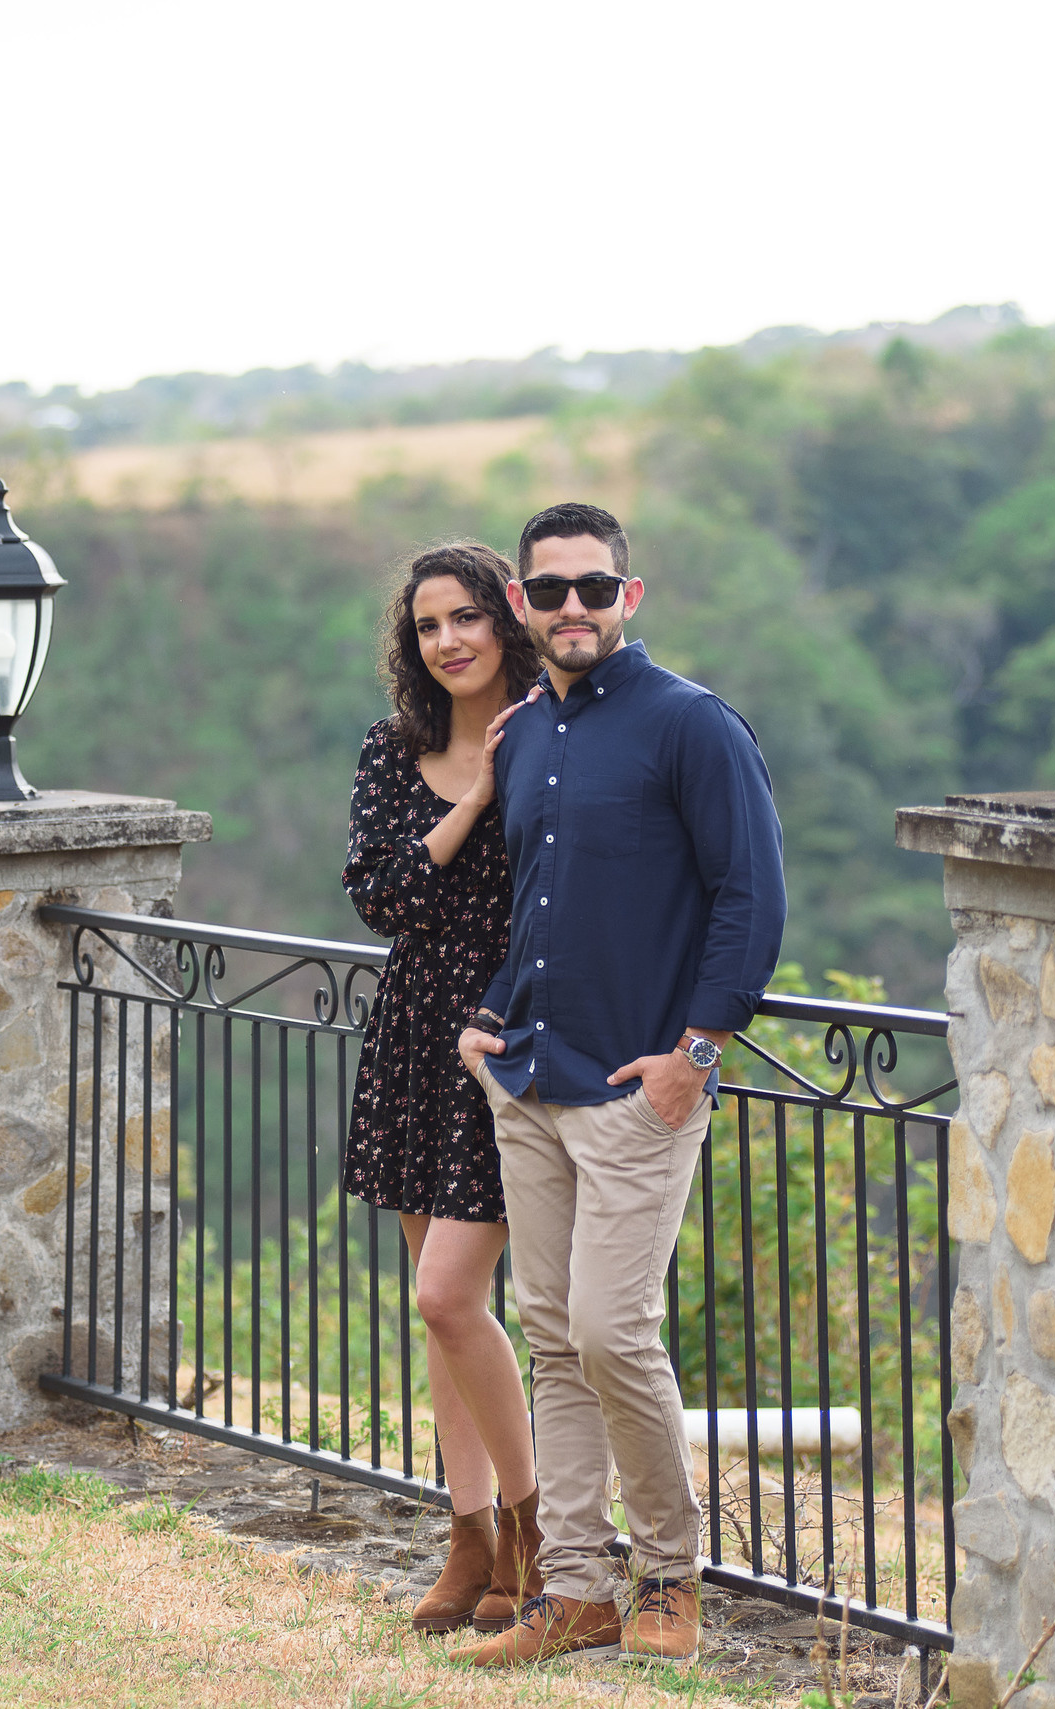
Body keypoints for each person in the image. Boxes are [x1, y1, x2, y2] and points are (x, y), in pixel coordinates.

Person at [454, 501, 786, 1667]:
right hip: (531, 1078)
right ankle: (577, 1588)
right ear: (524, 608)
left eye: (594, 587)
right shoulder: (527, 733)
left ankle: (671, 1576)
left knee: (610, 1329)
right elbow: (535, 902)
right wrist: (490, 1018)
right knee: (552, 1332)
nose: (573, 608)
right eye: (549, 592)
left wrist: (696, 1055)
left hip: (635, 1088)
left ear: (627, 596)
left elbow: (750, 896)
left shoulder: (690, 725)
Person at [341, 541, 548, 1636]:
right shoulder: (397, 748)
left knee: (448, 1295)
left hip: (508, 1032)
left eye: (467, 616)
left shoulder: (558, 733)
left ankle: (533, 1530)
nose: (450, 639)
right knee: (439, 1311)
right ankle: (469, 1536)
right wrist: (470, 792)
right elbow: (378, 897)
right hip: (416, 1031)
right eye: (429, 625)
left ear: (504, 622)